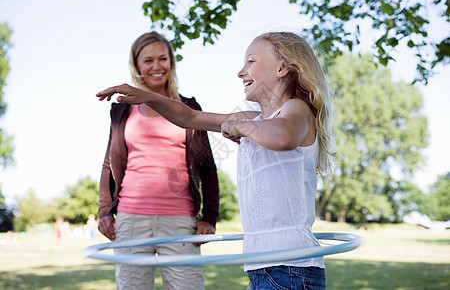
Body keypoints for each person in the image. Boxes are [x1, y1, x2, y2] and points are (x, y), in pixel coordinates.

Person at [97, 31, 334, 290]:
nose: (241, 72)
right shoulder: (254, 118)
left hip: (292, 266)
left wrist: (240, 127)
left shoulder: (296, 109)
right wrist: (149, 97)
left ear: (282, 67)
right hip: (263, 265)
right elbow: (190, 118)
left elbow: (284, 135)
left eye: (251, 62)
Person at [97, 31, 220, 290]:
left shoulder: (189, 108)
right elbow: (109, 164)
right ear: (137, 65)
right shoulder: (122, 110)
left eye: (162, 59)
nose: (156, 66)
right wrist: (105, 210)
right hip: (131, 221)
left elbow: (207, 167)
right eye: (148, 60)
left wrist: (209, 217)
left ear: (171, 63)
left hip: (179, 222)